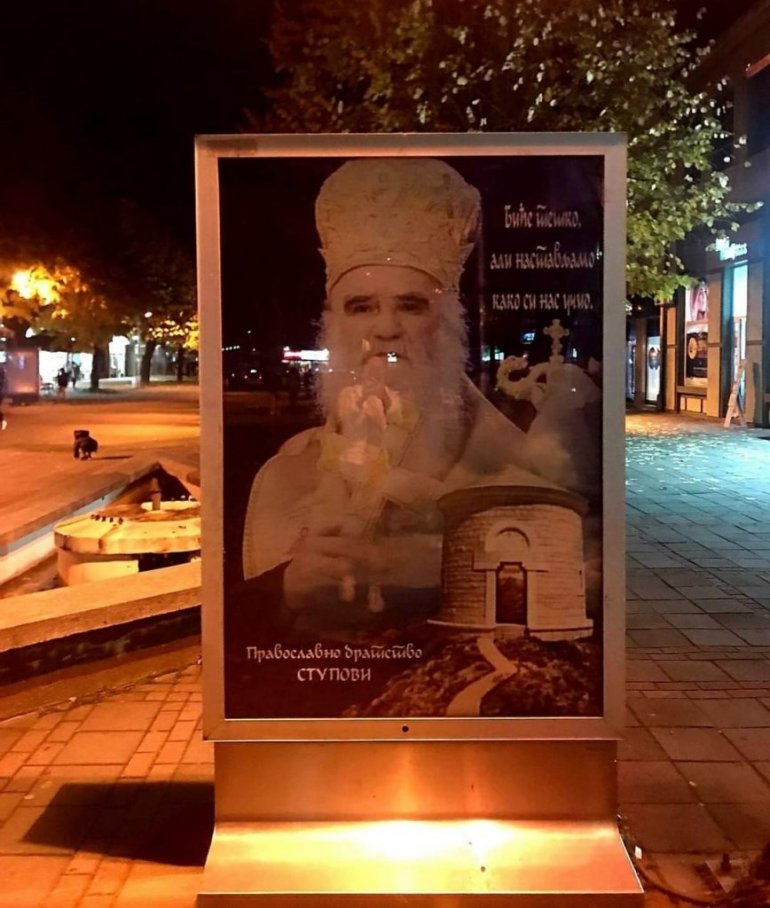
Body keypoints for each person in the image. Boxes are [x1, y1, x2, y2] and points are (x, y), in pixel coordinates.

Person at [241, 158, 587, 632]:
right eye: (361, 307)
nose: (385, 328)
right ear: (335, 323)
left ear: (445, 323)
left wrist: (407, 566)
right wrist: (287, 589)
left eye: (411, 305)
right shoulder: (284, 476)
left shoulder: (517, 477)